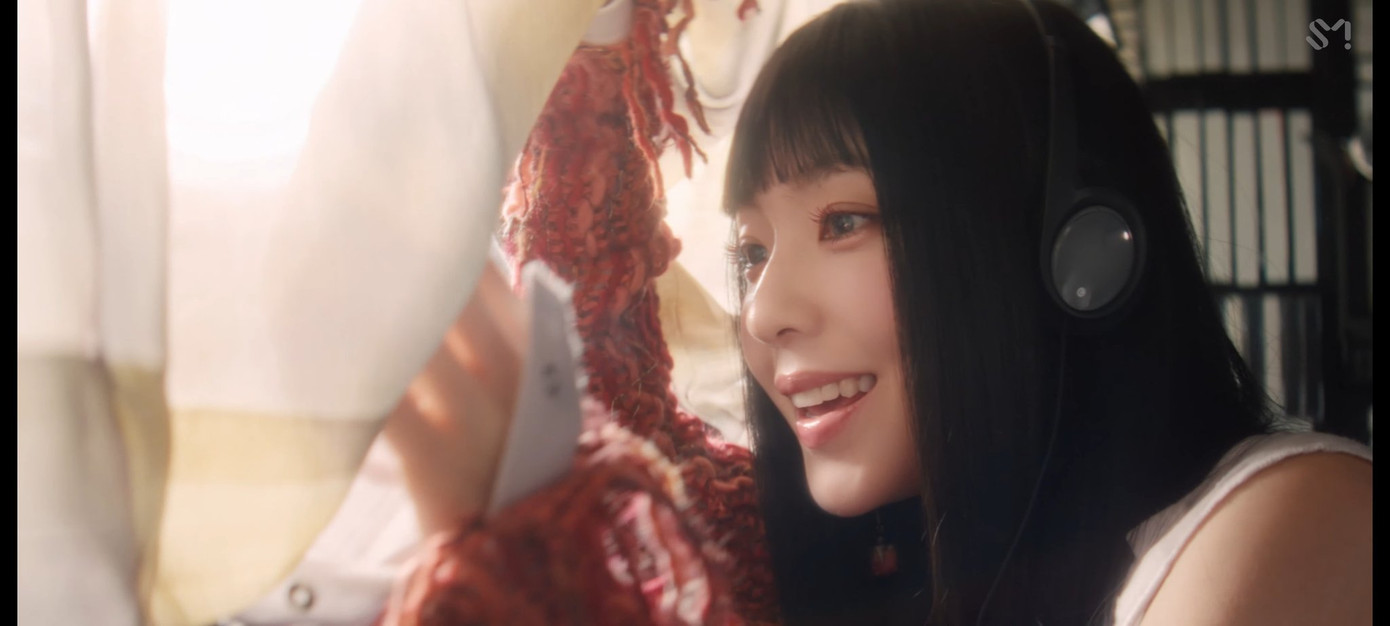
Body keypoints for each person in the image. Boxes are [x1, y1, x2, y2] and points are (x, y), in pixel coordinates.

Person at [383, 0, 1372, 624]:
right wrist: (590, 67)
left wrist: (550, 571)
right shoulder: (892, 552)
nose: (763, 312)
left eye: (845, 220)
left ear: (1070, 252)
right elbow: (618, 418)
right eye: (751, 252)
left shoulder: (1292, 519)